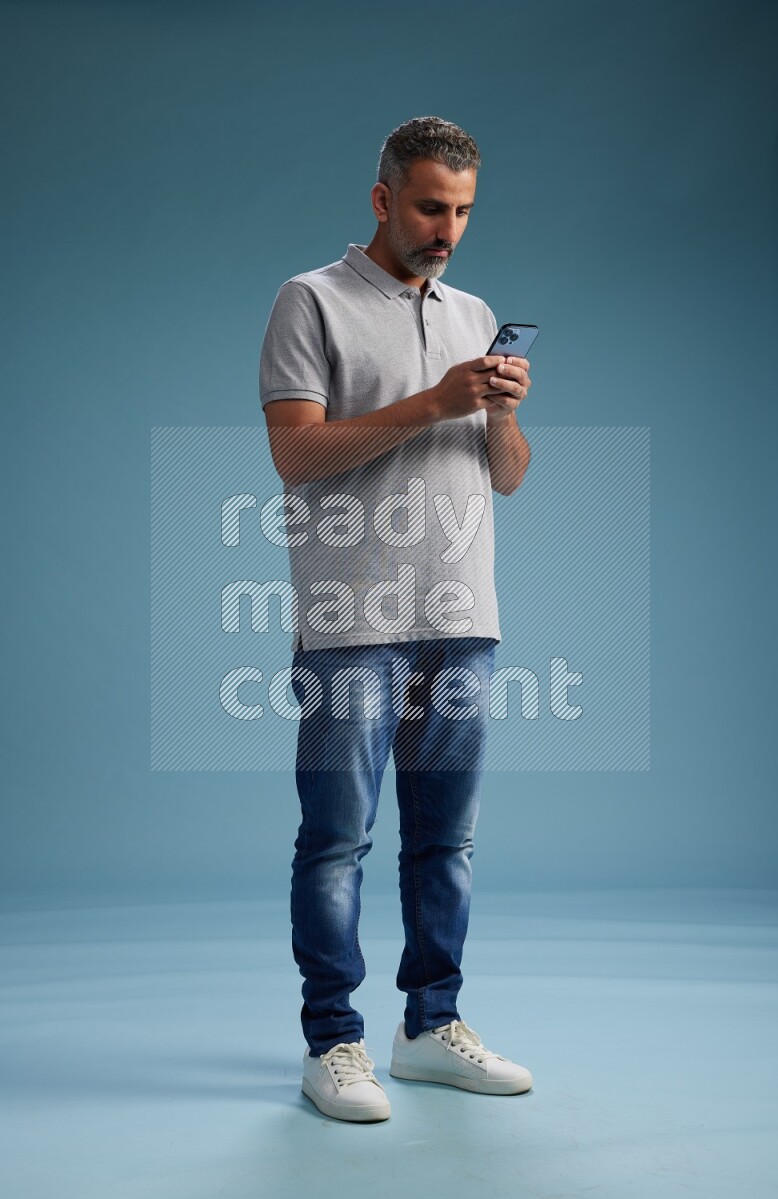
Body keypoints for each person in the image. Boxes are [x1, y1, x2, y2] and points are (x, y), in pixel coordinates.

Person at [259, 116, 533, 1123]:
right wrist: (429, 401)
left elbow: (503, 476)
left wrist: (498, 411)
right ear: (381, 201)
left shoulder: (473, 312)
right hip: (351, 616)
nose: (446, 228)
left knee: (445, 842)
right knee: (336, 840)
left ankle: (427, 1027)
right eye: (428, 206)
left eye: (460, 209)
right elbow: (296, 455)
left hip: (462, 613)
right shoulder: (310, 301)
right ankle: (332, 1042)